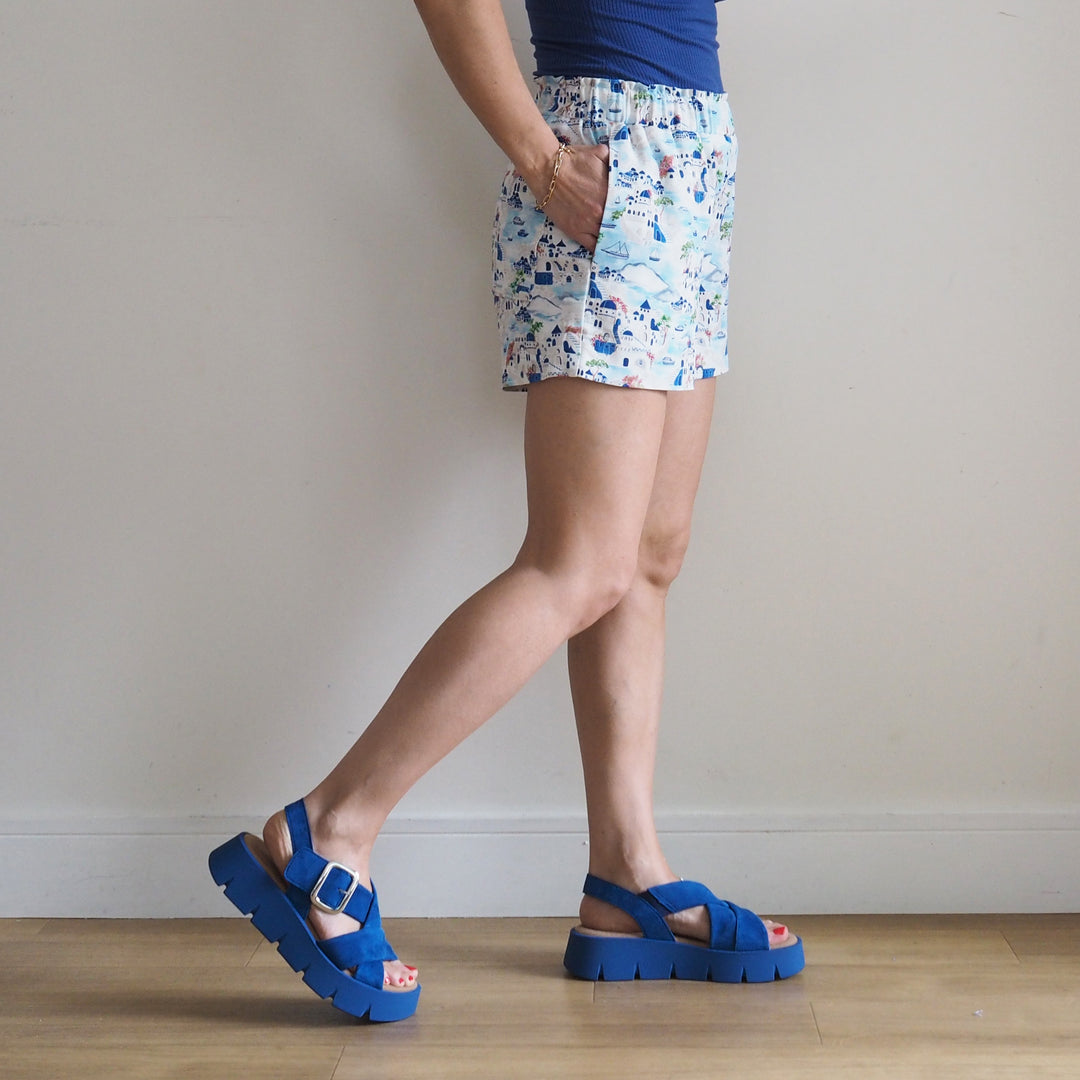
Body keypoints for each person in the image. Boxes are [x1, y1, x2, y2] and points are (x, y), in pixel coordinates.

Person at [209, 0, 804, 1022]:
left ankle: (626, 877)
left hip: (693, 155)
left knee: (649, 555)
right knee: (580, 562)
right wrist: (543, 158)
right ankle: (328, 830)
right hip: (608, 152)